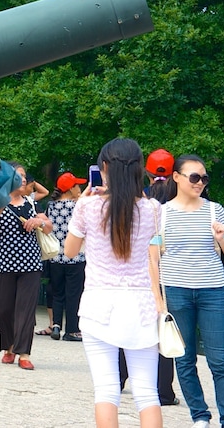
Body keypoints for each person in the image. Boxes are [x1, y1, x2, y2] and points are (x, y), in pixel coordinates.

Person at [63, 138, 163, 427]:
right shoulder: (154, 209)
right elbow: (158, 253)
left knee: (106, 390)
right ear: (138, 169)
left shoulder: (89, 207)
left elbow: (69, 251)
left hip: (98, 304)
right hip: (142, 306)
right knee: (147, 393)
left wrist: (82, 202)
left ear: (103, 167)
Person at [158, 154, 224, 428]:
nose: (200, 182)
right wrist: (157, 299)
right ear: (176, 177)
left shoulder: (216, 211)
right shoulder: (162, 213)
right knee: (184, 359)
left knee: (220, 362)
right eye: (194, 177)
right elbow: (152, 256)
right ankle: (200, 416)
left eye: (204, 178)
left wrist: (221, 238)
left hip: (212, 291)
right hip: (177, 291)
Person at [118, 148, 178, 406]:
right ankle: (164, 391)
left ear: (148, 173)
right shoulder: (181, 199)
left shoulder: (140, 200)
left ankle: (119, 379)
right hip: (172, 273)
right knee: (164, 327)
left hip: (141, 272)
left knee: (131, 326)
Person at [0, 162, 50, 370]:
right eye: (19, 175)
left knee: (26, 310)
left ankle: (24, 353)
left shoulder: (30, 202)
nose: (25, 179)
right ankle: (9, 346)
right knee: (3, 308)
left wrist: (40, 222)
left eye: (25, 175)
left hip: (30, 263)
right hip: (2, 264)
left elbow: (49, 226)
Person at [46, 171, 87, 342]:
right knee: (73, 294)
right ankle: (71, 329)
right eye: (77, 185)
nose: (80, 187)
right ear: (70, 189)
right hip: (75, 257)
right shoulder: (77, 207)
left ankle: (55, 324)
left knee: (57, 292)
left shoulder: (51, 206)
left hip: (56, 257)